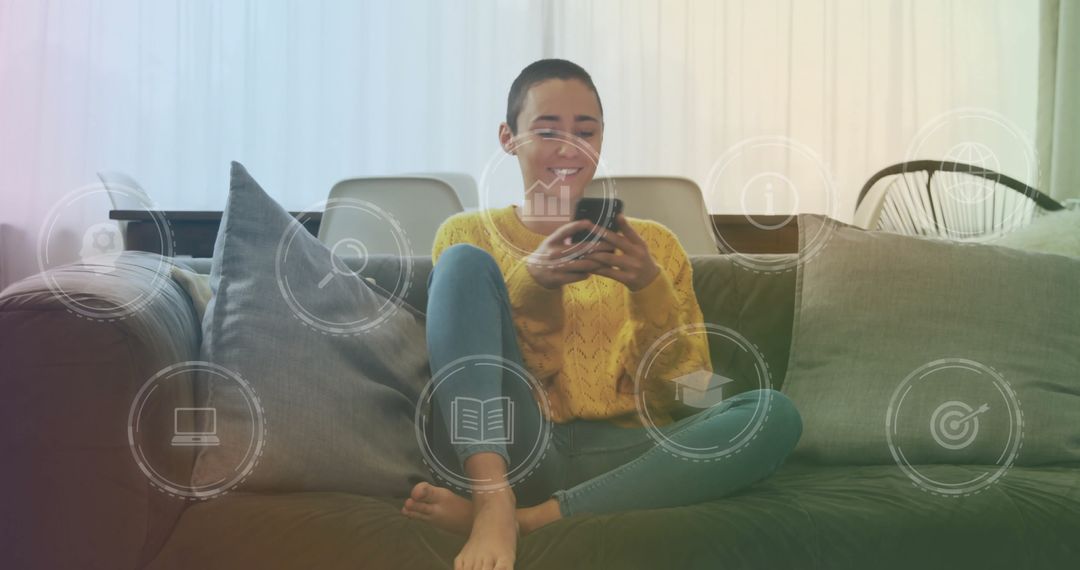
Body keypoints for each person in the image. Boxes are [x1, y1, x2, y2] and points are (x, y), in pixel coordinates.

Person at [401, 59, 803, 570]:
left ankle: (530, 520)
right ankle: (493, 500)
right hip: (519, 444)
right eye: (547, 130)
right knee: (460, 266)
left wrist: (649, 289)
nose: (569, 148)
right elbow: (484, 373)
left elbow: (684, 388)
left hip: (626, 453)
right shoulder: (468, 234)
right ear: (509, 137)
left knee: (774, 412)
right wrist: (534, 284)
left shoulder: (657, 246)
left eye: (585, 131)